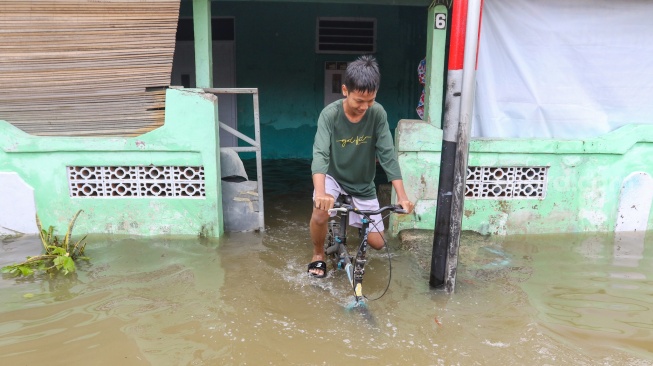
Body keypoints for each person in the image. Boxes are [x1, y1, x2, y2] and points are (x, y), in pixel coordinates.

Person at [308, 55, 415, 278]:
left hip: (363, 182)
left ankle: (354, 228)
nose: (364, 107)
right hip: (333, 177)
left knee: (378, 243)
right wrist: (320, 192)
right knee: (319, 213)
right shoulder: (330, 115)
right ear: (345, 90)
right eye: (359, 101)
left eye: (371, 100)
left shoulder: (378, 114)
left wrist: (402, 197)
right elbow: (320, 154)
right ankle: (318, 254)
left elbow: (387, 155)